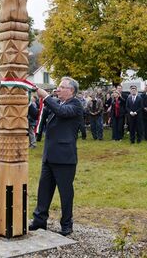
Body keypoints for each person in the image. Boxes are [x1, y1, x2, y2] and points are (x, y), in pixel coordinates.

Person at [29, 77, 83, 236]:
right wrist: (28, 101)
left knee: (65, 193)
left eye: (61, 87)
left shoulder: (75, 105)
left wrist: (46, 96)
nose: (57, 89)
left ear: (71, 90)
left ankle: (67, 224)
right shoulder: (57, 104)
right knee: (43, 190)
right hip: (49, 156)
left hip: (65, 158)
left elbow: (62, 112)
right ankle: (39, 220)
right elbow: (39, 115)